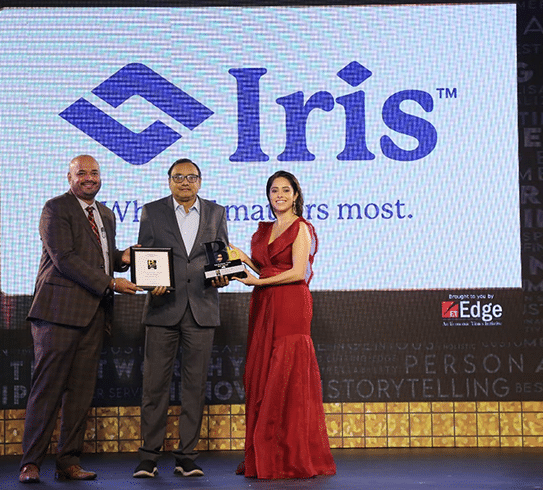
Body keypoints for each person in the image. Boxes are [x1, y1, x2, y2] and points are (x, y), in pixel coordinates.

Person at [19, 154, 141, 483]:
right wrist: (111, 282)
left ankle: (68, 461)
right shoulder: (56, 208)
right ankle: (31, 463)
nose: (89, 178)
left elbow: (99, 258)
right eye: (82, 173)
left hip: (94, 314)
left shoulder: (106, 214)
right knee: (47, 389)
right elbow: (65, 258)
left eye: (94, 173)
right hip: (58, 313)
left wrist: (123, 258)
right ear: (69, 177)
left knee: (81, 393)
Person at [232, 170, 336, 479]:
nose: (280, 195)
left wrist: (256, 281)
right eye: (274, 190)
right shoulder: (265, 230)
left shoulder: (301, 227)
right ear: (268, 195)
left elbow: (296, 273)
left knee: (285, 374)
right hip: (265, 303)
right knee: (264, 373)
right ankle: (268, 451)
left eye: (286, 190)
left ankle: (288, 455)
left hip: (291, 303)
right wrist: (243, 259)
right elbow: (266, 269)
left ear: (295, 195)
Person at [133, 158, 230, 478]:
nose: (185, 182)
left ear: (200, 181)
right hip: (163, 308)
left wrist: (222, 276)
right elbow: (146, 256)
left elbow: (221, 254)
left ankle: (186, 456)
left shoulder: (216, 212)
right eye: (178, 177)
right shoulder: (152, 211)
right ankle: (149, 456)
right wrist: (151, 282)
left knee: (194, 387)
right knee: (154, 387)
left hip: (202, 308)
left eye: (191, 177)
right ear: (169, 181)